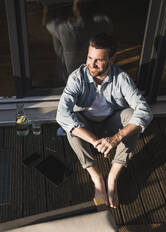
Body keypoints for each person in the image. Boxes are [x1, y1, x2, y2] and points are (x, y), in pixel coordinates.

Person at [56, 33, 153, 208]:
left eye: (98, 60)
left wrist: (116, 138)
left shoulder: (122, 79)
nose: (91, 64)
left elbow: (145, 111)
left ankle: (112, 178)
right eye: (89, 57)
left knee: (132, 116)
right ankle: (97, 178)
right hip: (87, 127)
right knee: (70, 123)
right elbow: (62, 114)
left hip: (111, 126)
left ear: (112, 59)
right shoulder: (77, 77)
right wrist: (94, 141)